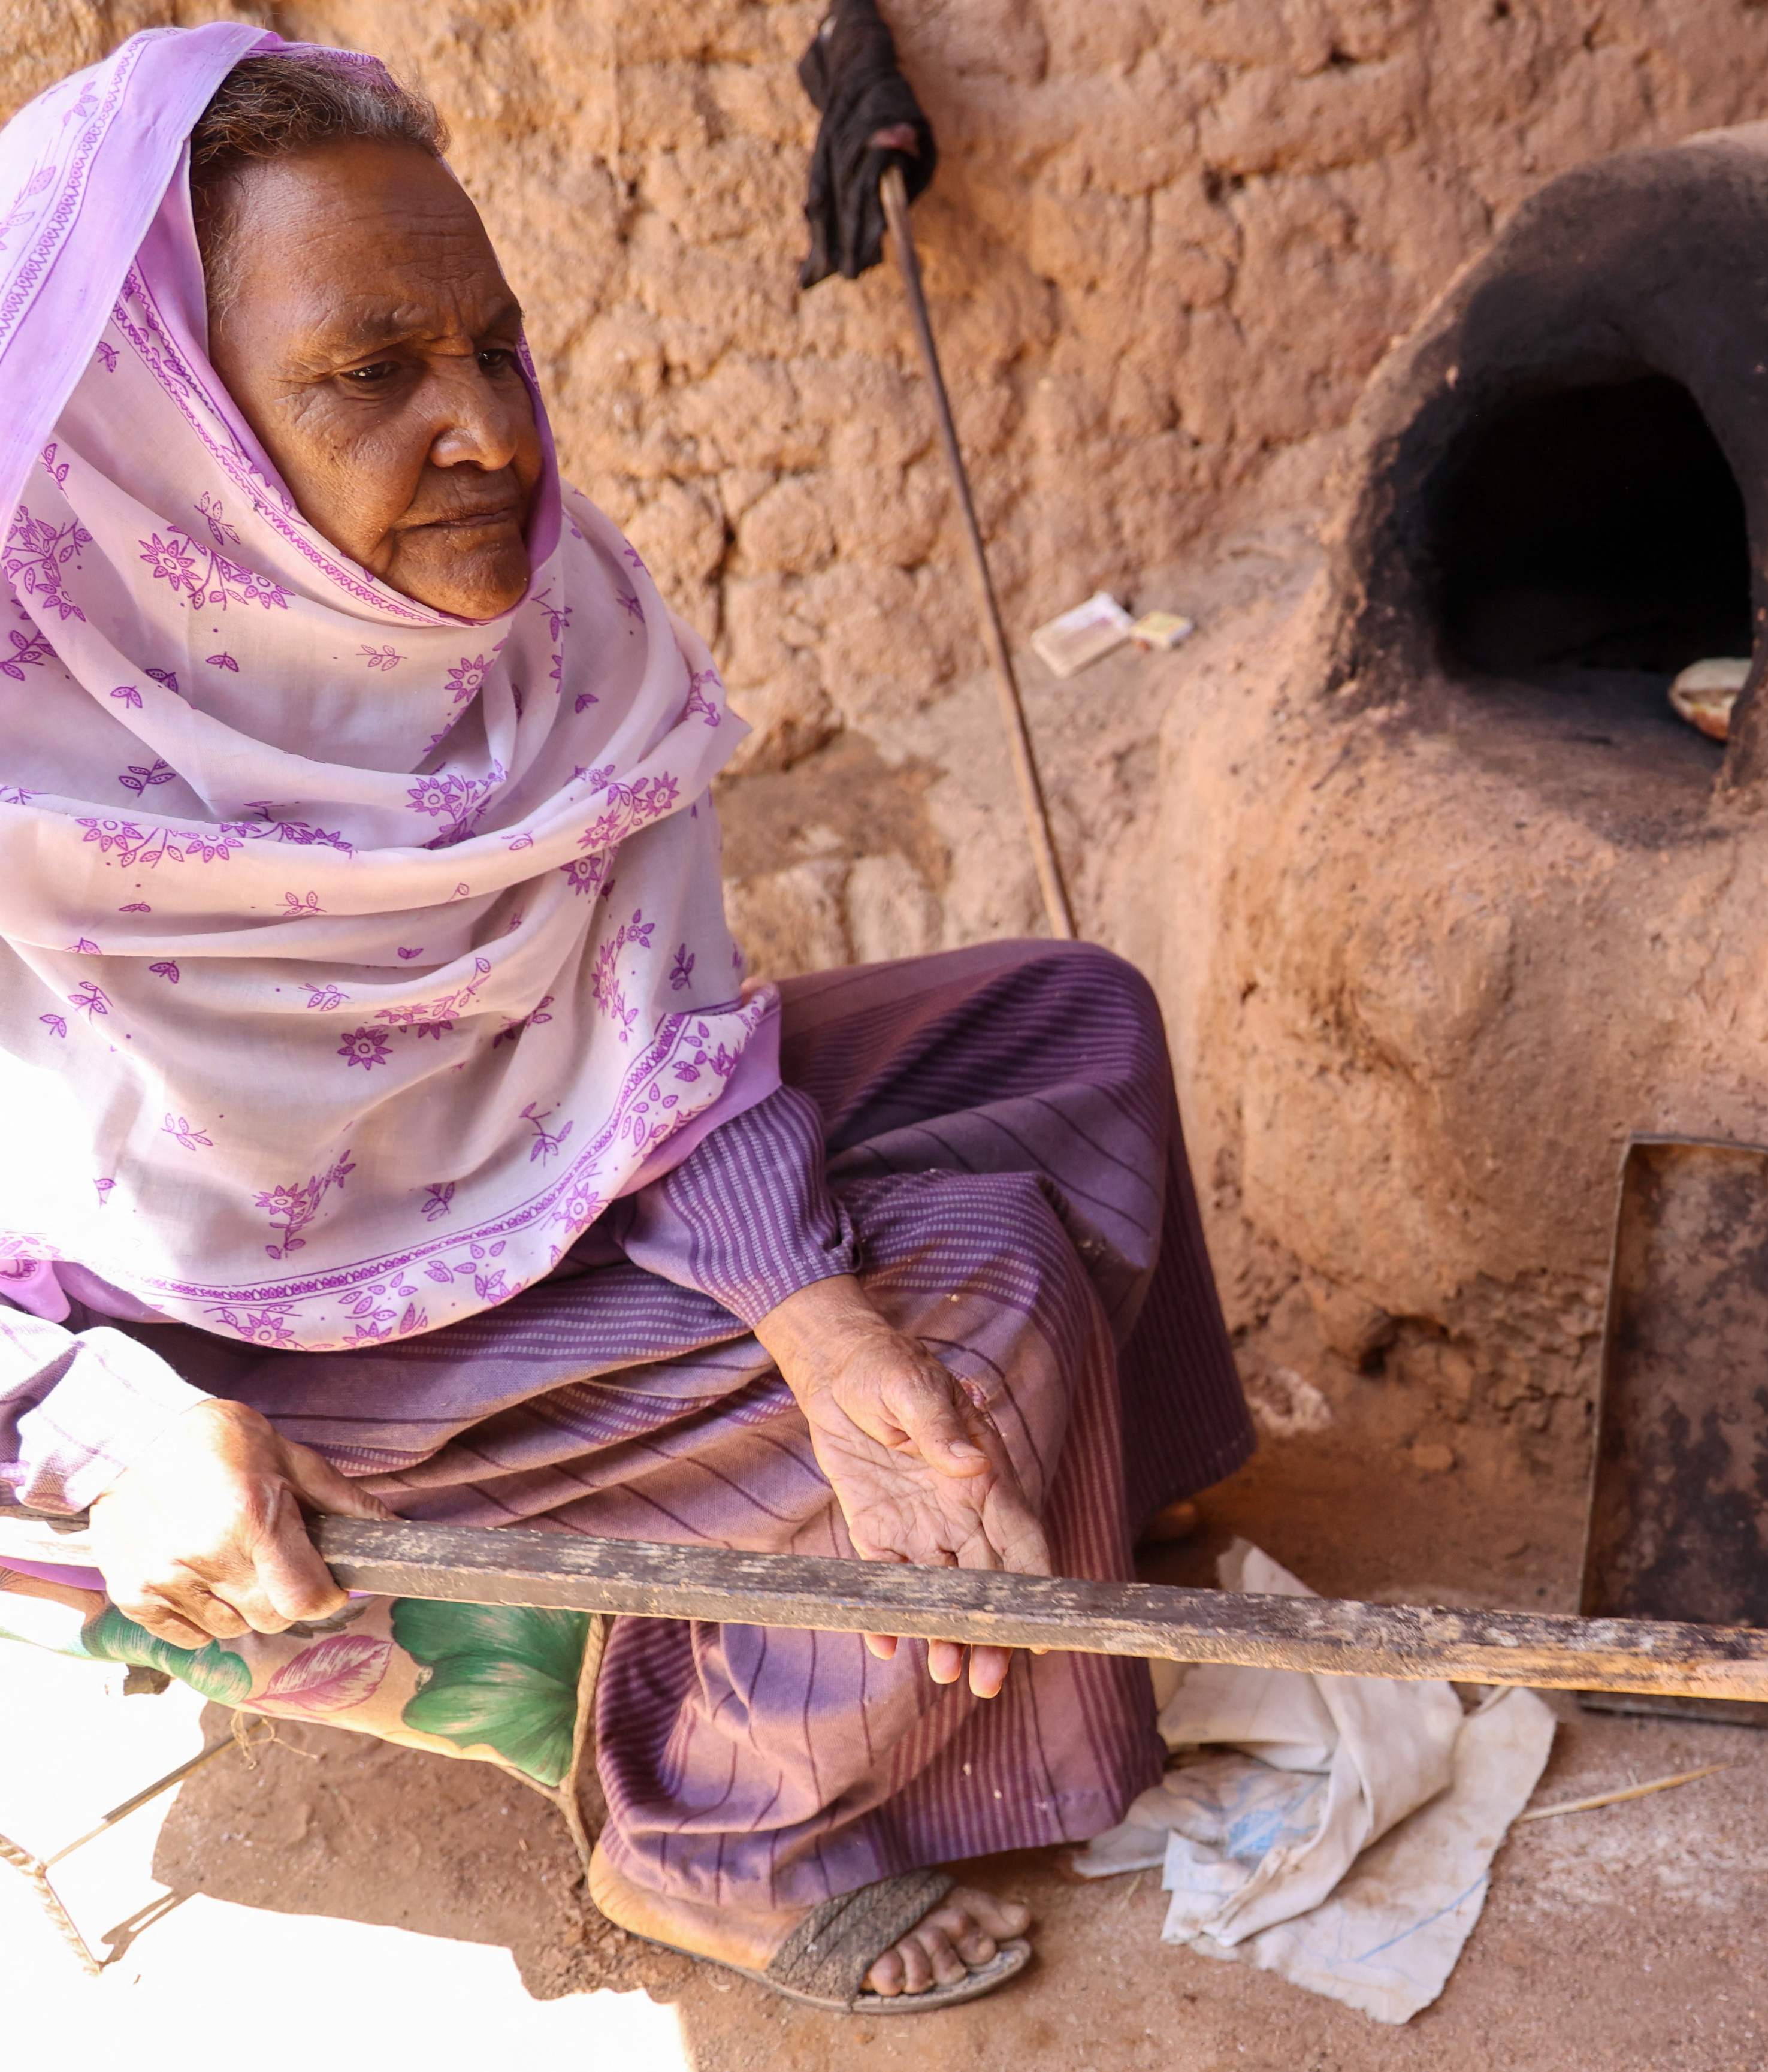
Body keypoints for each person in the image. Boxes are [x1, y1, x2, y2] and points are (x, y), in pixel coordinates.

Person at [0, 26, 1251, 2011]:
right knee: (985, 1280)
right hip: (220, 1355)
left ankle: (1072, 1522)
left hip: (522, 1198)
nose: (489, 431)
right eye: (366, 371)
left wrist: (808, 1314)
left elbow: (653, 1031)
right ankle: (722, 1825)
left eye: (493, 347)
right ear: (161, 431)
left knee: (1063, 1022)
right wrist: (101, 1426)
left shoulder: (537, 624)